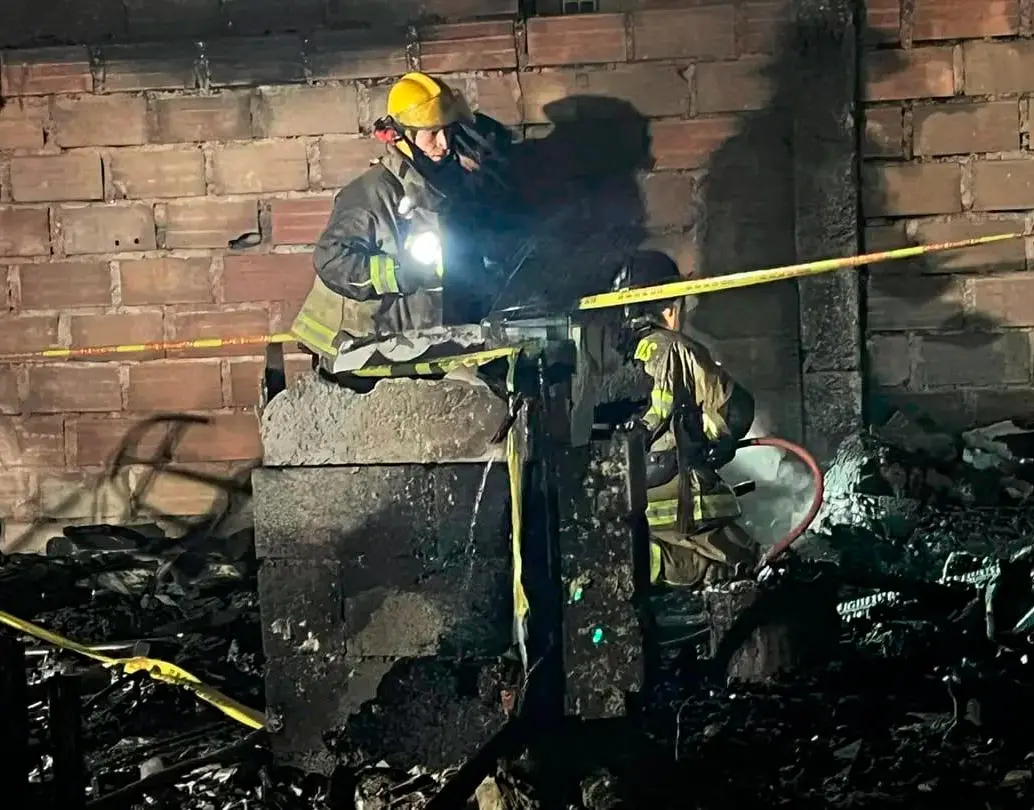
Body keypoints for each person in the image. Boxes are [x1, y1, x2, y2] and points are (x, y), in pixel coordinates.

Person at [291, 71, 514, 369]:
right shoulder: (372, 193)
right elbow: (331, 259)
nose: (444, 143)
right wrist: (395, 273)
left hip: (406, 346)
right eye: (431, 133)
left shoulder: (445, 189)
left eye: (447, 131)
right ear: (398, 135)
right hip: (357, 351)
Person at [622, 258, 759, 588]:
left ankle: (655, 572)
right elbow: (732, 410)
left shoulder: (621, 351)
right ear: (670, 306)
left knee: (653, 555)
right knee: (744, 566)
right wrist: (714, 441)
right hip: (680, 489)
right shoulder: (677, 348)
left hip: (628, 489)